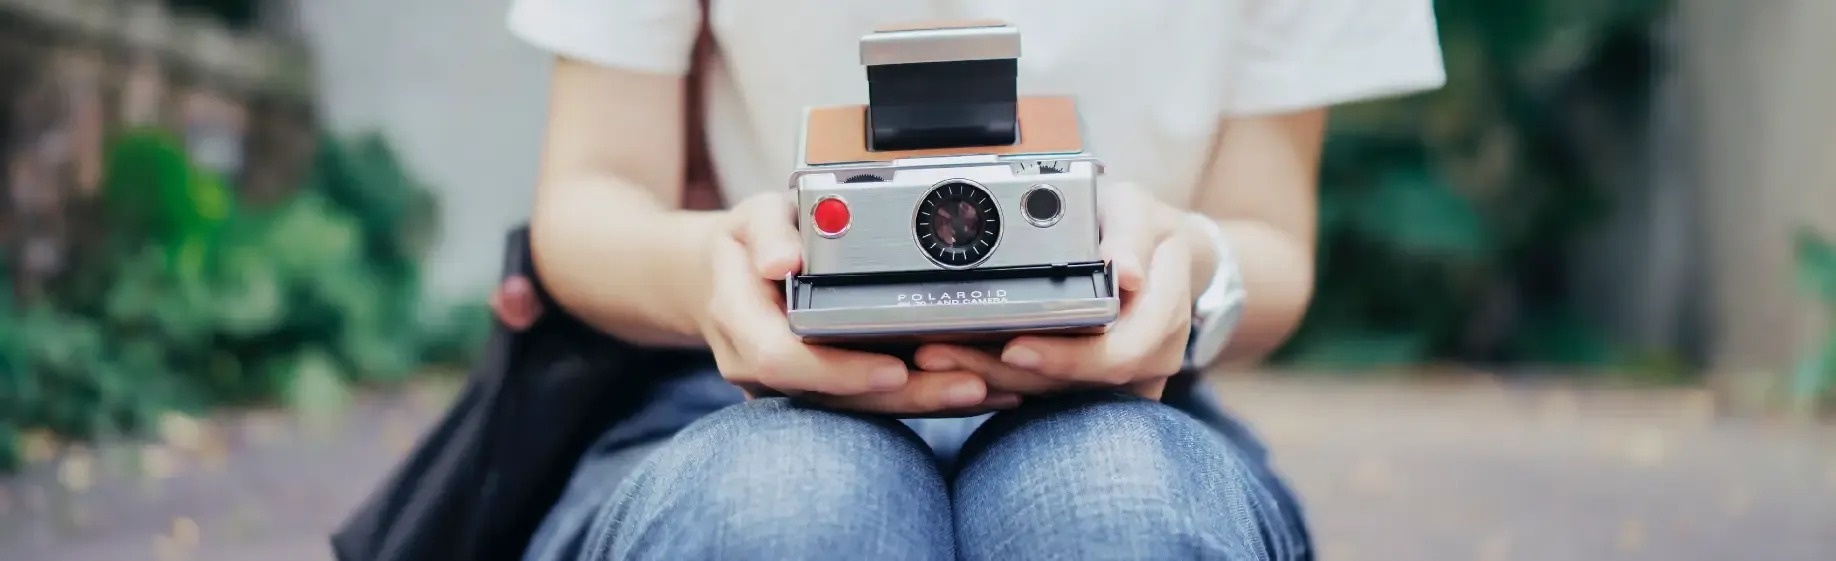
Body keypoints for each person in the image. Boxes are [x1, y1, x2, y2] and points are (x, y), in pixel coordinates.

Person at [498, 1, 1444, 559]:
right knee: (786, 507)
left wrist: (1180, 265)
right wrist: (717, 270)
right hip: (727, 382)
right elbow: (588, 198)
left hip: (1133, 385)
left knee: (1122, 508)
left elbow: (1270, 240)